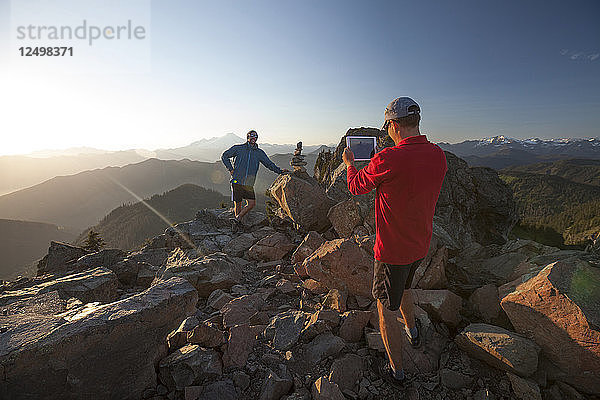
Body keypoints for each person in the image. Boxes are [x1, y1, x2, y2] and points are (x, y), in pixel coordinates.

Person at [342, 97, 448, 386]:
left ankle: (396, 370)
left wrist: (351, 164)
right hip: (420, 245)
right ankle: (413, 331)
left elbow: (355, 187)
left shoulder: (387, 159)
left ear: (392, 124)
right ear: (417, 121)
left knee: (385, 306)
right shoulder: (439, 155)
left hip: (392, 251)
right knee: (405, 288)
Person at [221, 130, 289, 230]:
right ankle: (236, 226)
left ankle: (237, 218)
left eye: (255, 136)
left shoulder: (259, 153)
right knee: (238, 204)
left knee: (251, 204)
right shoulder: (239, 148)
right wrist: (230, 169)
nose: (253, 138)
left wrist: (279, 171)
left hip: (249, 183)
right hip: (236, 181)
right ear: (247, 137)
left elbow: (269, 164)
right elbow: (224, 156)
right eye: (251, 136)